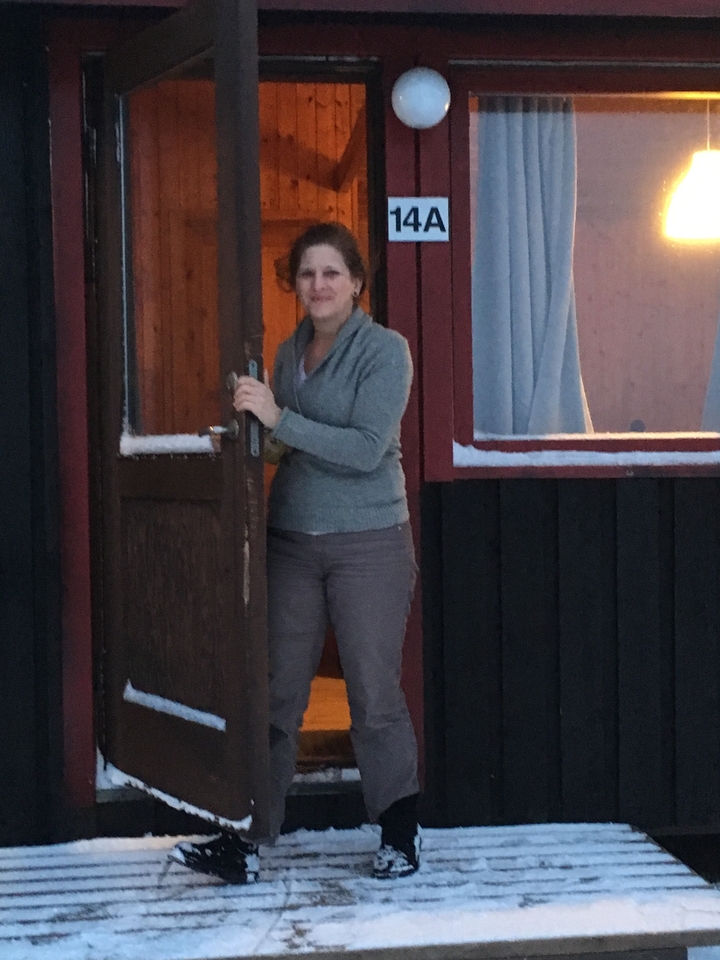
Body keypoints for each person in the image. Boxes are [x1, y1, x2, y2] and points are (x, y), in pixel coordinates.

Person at [170, 223, 419, 884]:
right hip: (293, 541)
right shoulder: (287, 352)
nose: (319, 285)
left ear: (357, 282)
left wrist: (281, 420)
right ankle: (248, 837)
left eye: (332, 272)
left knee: (372, 690)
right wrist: (249, 430)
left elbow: (366, 449)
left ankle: (397, 831)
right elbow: (289, 450)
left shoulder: (385, 351)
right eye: (307, 274)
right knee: (275, 689)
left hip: (370, 542)